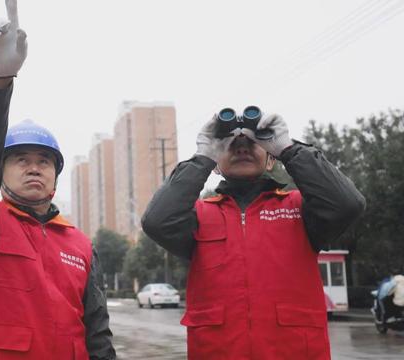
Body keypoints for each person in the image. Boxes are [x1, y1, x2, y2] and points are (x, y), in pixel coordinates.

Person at [0, 1, 115, 358]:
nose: (34, 167)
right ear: (0, 171)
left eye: (44, 161)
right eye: (21, 159)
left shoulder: (80, 245)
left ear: (55, 174)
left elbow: (97, 333)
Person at [141, 112, 365, 359]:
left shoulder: (300, 209)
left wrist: (289, 149)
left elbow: (348, 204)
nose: (241, 148)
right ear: (215, 164)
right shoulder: (198, 216)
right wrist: (202, 155)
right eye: (231, 144)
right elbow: (156, 221)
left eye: (252, 142)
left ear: (271, 160)